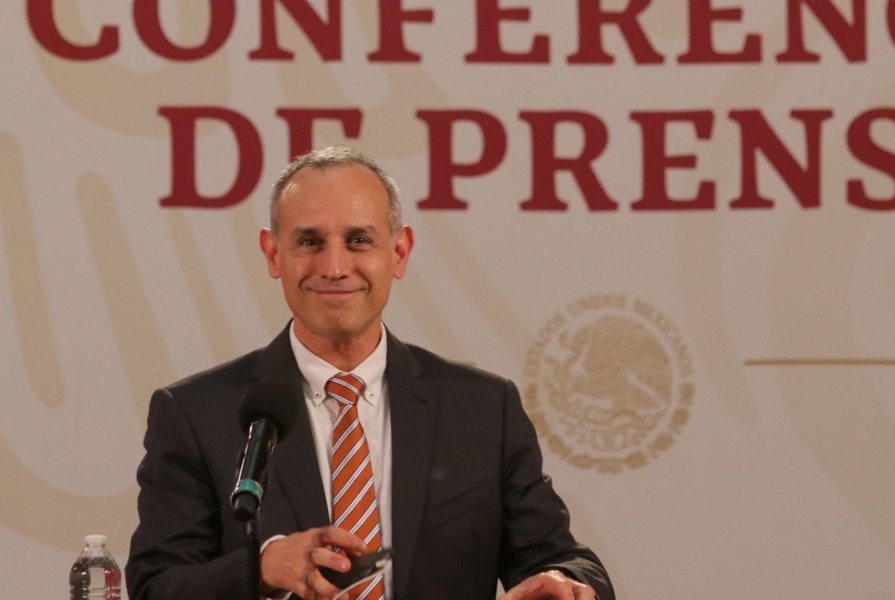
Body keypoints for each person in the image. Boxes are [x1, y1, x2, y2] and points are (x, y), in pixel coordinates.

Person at [126, 147, 614, 600]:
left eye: (358, 240)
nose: (335, 267)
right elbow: (155, 586)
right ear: (273, 254)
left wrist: (567, 584)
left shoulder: (483, 410)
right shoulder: (195, 414)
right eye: (310, 242)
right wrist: (262, 568)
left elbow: (563, 560)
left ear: (399, 252)